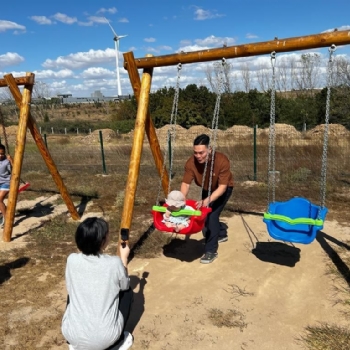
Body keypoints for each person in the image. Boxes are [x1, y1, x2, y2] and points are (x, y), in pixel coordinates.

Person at [61, 217, 134, 350]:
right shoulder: (114, 263)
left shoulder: (71, 259)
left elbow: (71, 286)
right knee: (127, 292)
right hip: (105, 338)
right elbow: (125, 286)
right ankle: (118, 341)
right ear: (103, 241)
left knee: (72, 293)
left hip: (71, 334)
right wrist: (124, 258)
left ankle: (81, 341)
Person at [181, 134, 234, 264]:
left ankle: (211, 251)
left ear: (209, 149)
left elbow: (222, 188)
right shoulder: (191, 163)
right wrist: (181, 200)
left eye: (201, 153)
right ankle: (221, 233)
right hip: (207, 189)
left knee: (211, 216)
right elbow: (186, 184)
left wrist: (206, 201)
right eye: (195, 153)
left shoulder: (222, 161)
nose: (198, 156)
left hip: (223, 189)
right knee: (205, 216)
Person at [0, 144, 13, 228]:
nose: (1, 155)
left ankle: (6, 219)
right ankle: (5, 211)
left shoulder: (7, 160)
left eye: (2, 153)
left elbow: (16, 169)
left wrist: (11, 160)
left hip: (6, 182)